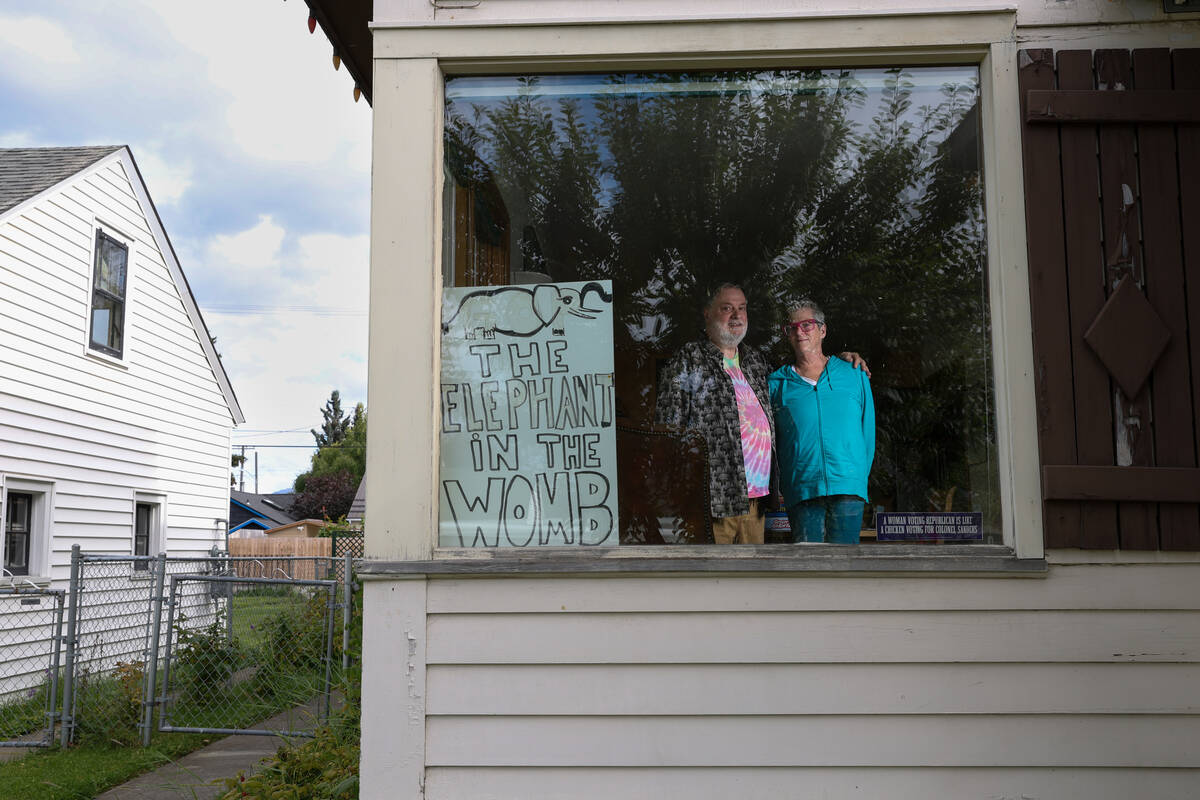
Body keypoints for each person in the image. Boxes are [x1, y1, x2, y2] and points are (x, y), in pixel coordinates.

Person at [655, 284, 865, 544]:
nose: (736, 315)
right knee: (712, 580)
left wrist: (842, 361)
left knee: (751, 581)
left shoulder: (756, 362)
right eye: (727, 308)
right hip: (712, 502)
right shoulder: (688, 360)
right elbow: (665, 434)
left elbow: (806, 377)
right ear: (707, 313)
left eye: (741, 308)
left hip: (756, 503)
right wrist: (678, 498)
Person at [768, 298, 875, 544]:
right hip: (802, 488)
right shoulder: (776, 384)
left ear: (823, 330)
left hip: (848, 486)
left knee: (846, 569)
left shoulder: (854, 374)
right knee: (808, 570)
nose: (799, 331)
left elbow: (867, 431)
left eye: (807, 325)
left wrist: (858, 476)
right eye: (792, 327)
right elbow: (772, 441)